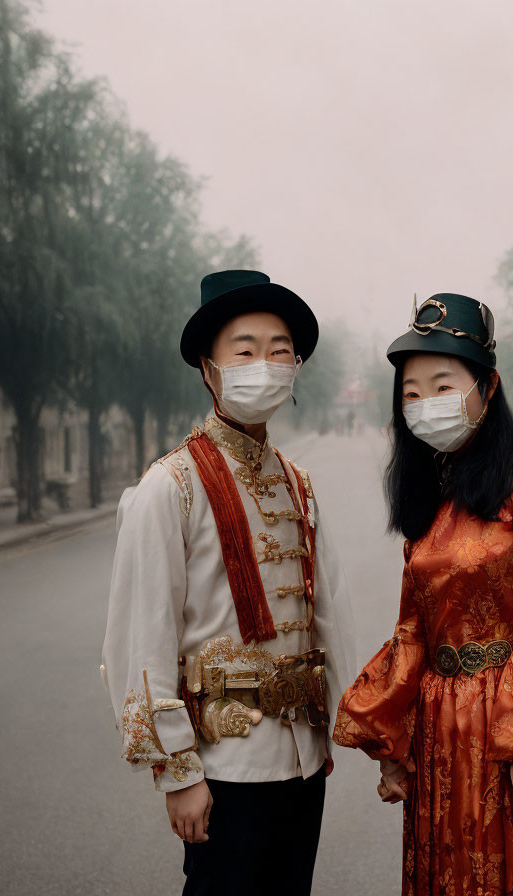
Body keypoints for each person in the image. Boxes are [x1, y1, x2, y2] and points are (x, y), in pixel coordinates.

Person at [333, 293, 513, 896]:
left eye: (443, 385)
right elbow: (411, 632)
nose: (426, 405)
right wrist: (392, 744)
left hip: (508, 732)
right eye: (411, 393)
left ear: (488, 385)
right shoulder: (429, 498)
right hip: (439, 734)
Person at [101, 269, 355, 896]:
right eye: (244, 350)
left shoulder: (298, 484)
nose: (264, 364)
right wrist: (178, 772)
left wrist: (352, 729)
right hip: (224, 765)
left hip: (301, 762)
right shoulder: (172, 485)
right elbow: (142, 638)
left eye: (280, 350)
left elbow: (333, 620)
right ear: (209, 369)